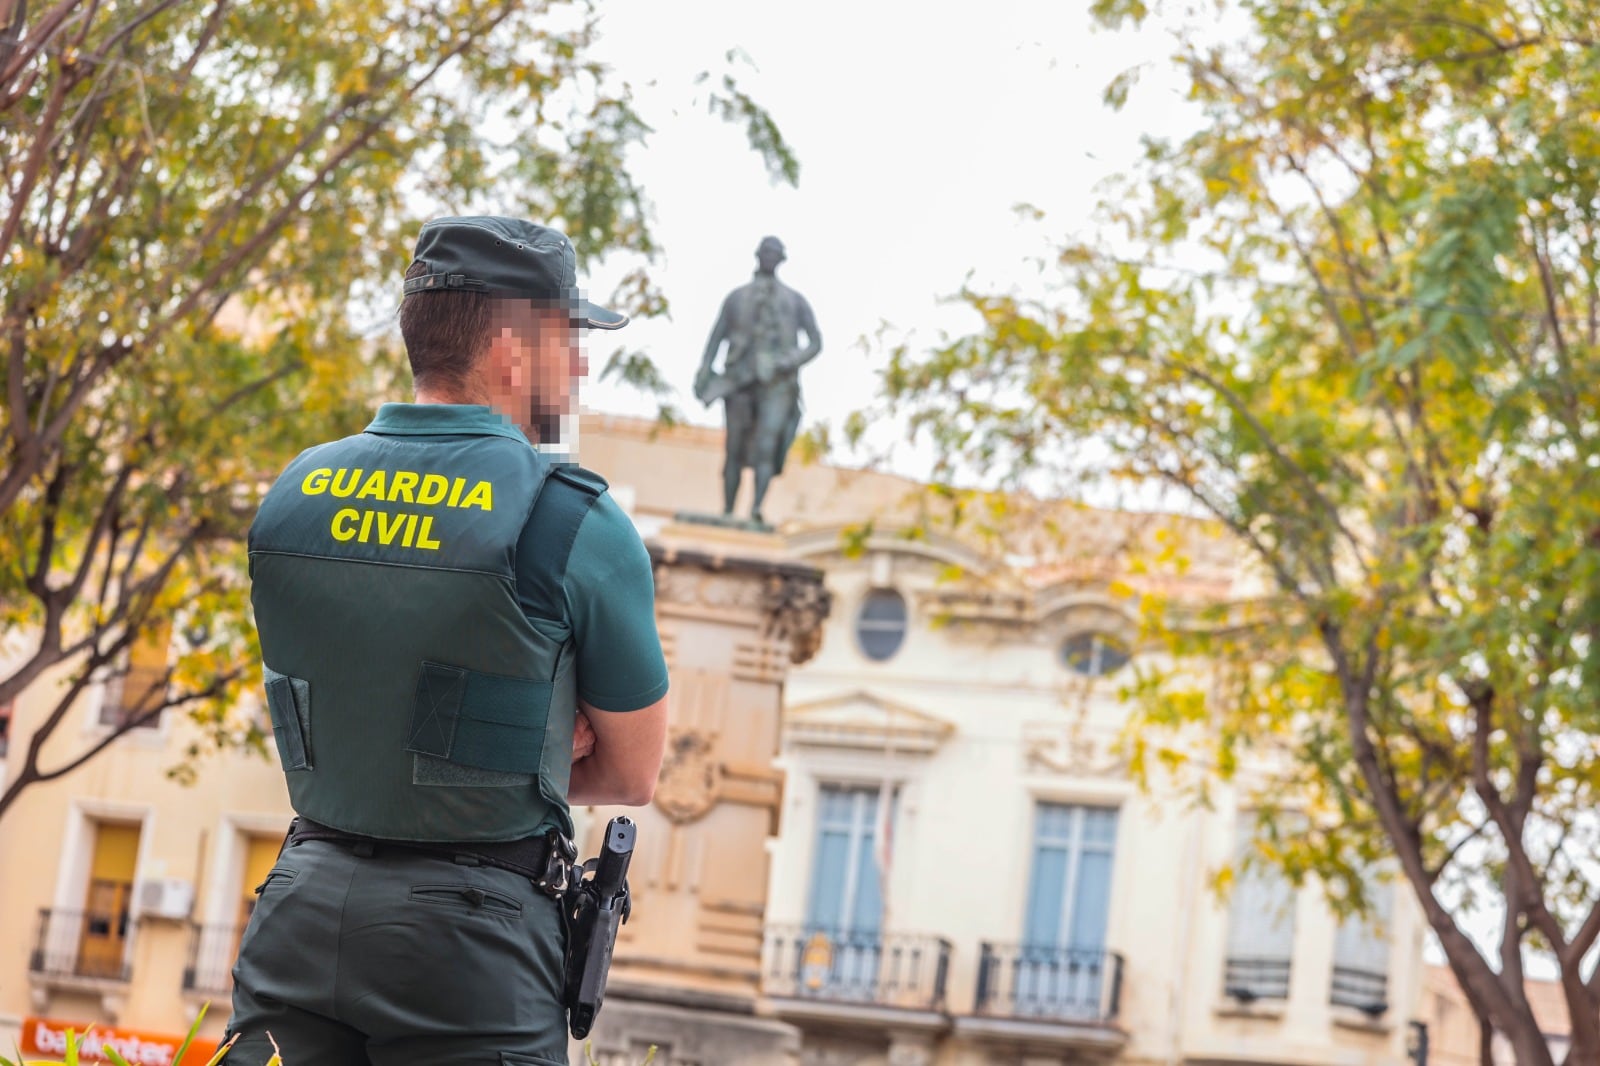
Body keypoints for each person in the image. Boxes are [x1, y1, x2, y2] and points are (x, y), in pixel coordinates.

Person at [224, 216, 671, 1066]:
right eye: (567, 339)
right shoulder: (571, 516)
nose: (579, 367)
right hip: (474, 947)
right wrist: (536, 736)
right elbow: (631, 771)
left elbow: (342, 702)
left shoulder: (292, 494)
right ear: (510, 350)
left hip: (299, 910)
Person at [694, 236, 822, 524]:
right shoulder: (737, 298)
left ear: (781, 259)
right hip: (739, 379)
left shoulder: (795, 301)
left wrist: (789, 361)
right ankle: (728, 510)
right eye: (766, 252)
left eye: (775, 254)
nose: (769, 258)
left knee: (767, 444)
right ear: (758, 255)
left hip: (777, 384)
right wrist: (705, 369)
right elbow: (716, 337)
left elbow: (816, 342)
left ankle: (755, 509)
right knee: (734, 447)